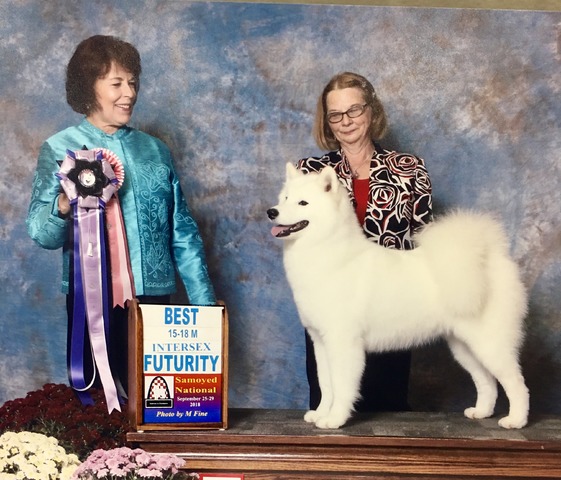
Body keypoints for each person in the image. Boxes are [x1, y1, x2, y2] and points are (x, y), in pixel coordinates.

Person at [26, 35, 216, 406]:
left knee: (160, 404)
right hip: (89, 298)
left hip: (155, 297)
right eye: (116, 83)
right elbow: (41, 234)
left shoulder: (156, 150)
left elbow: (184, 233)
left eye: (132, 83)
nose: (128, 93)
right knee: (98, 405)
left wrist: (204, 306)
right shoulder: (59, 147)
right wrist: (64, 204)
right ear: (88, 86)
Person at [297, 71, 432, 412]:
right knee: (330, 411)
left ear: (372, 111)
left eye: (354, 110)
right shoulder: (309, 173)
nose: (346, 121)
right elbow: (297, 241)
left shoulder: (409, 169)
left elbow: (426, 240)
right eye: (336, 115)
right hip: (331, 309)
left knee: (388, 412)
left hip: (392, 307)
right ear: (327, 122)